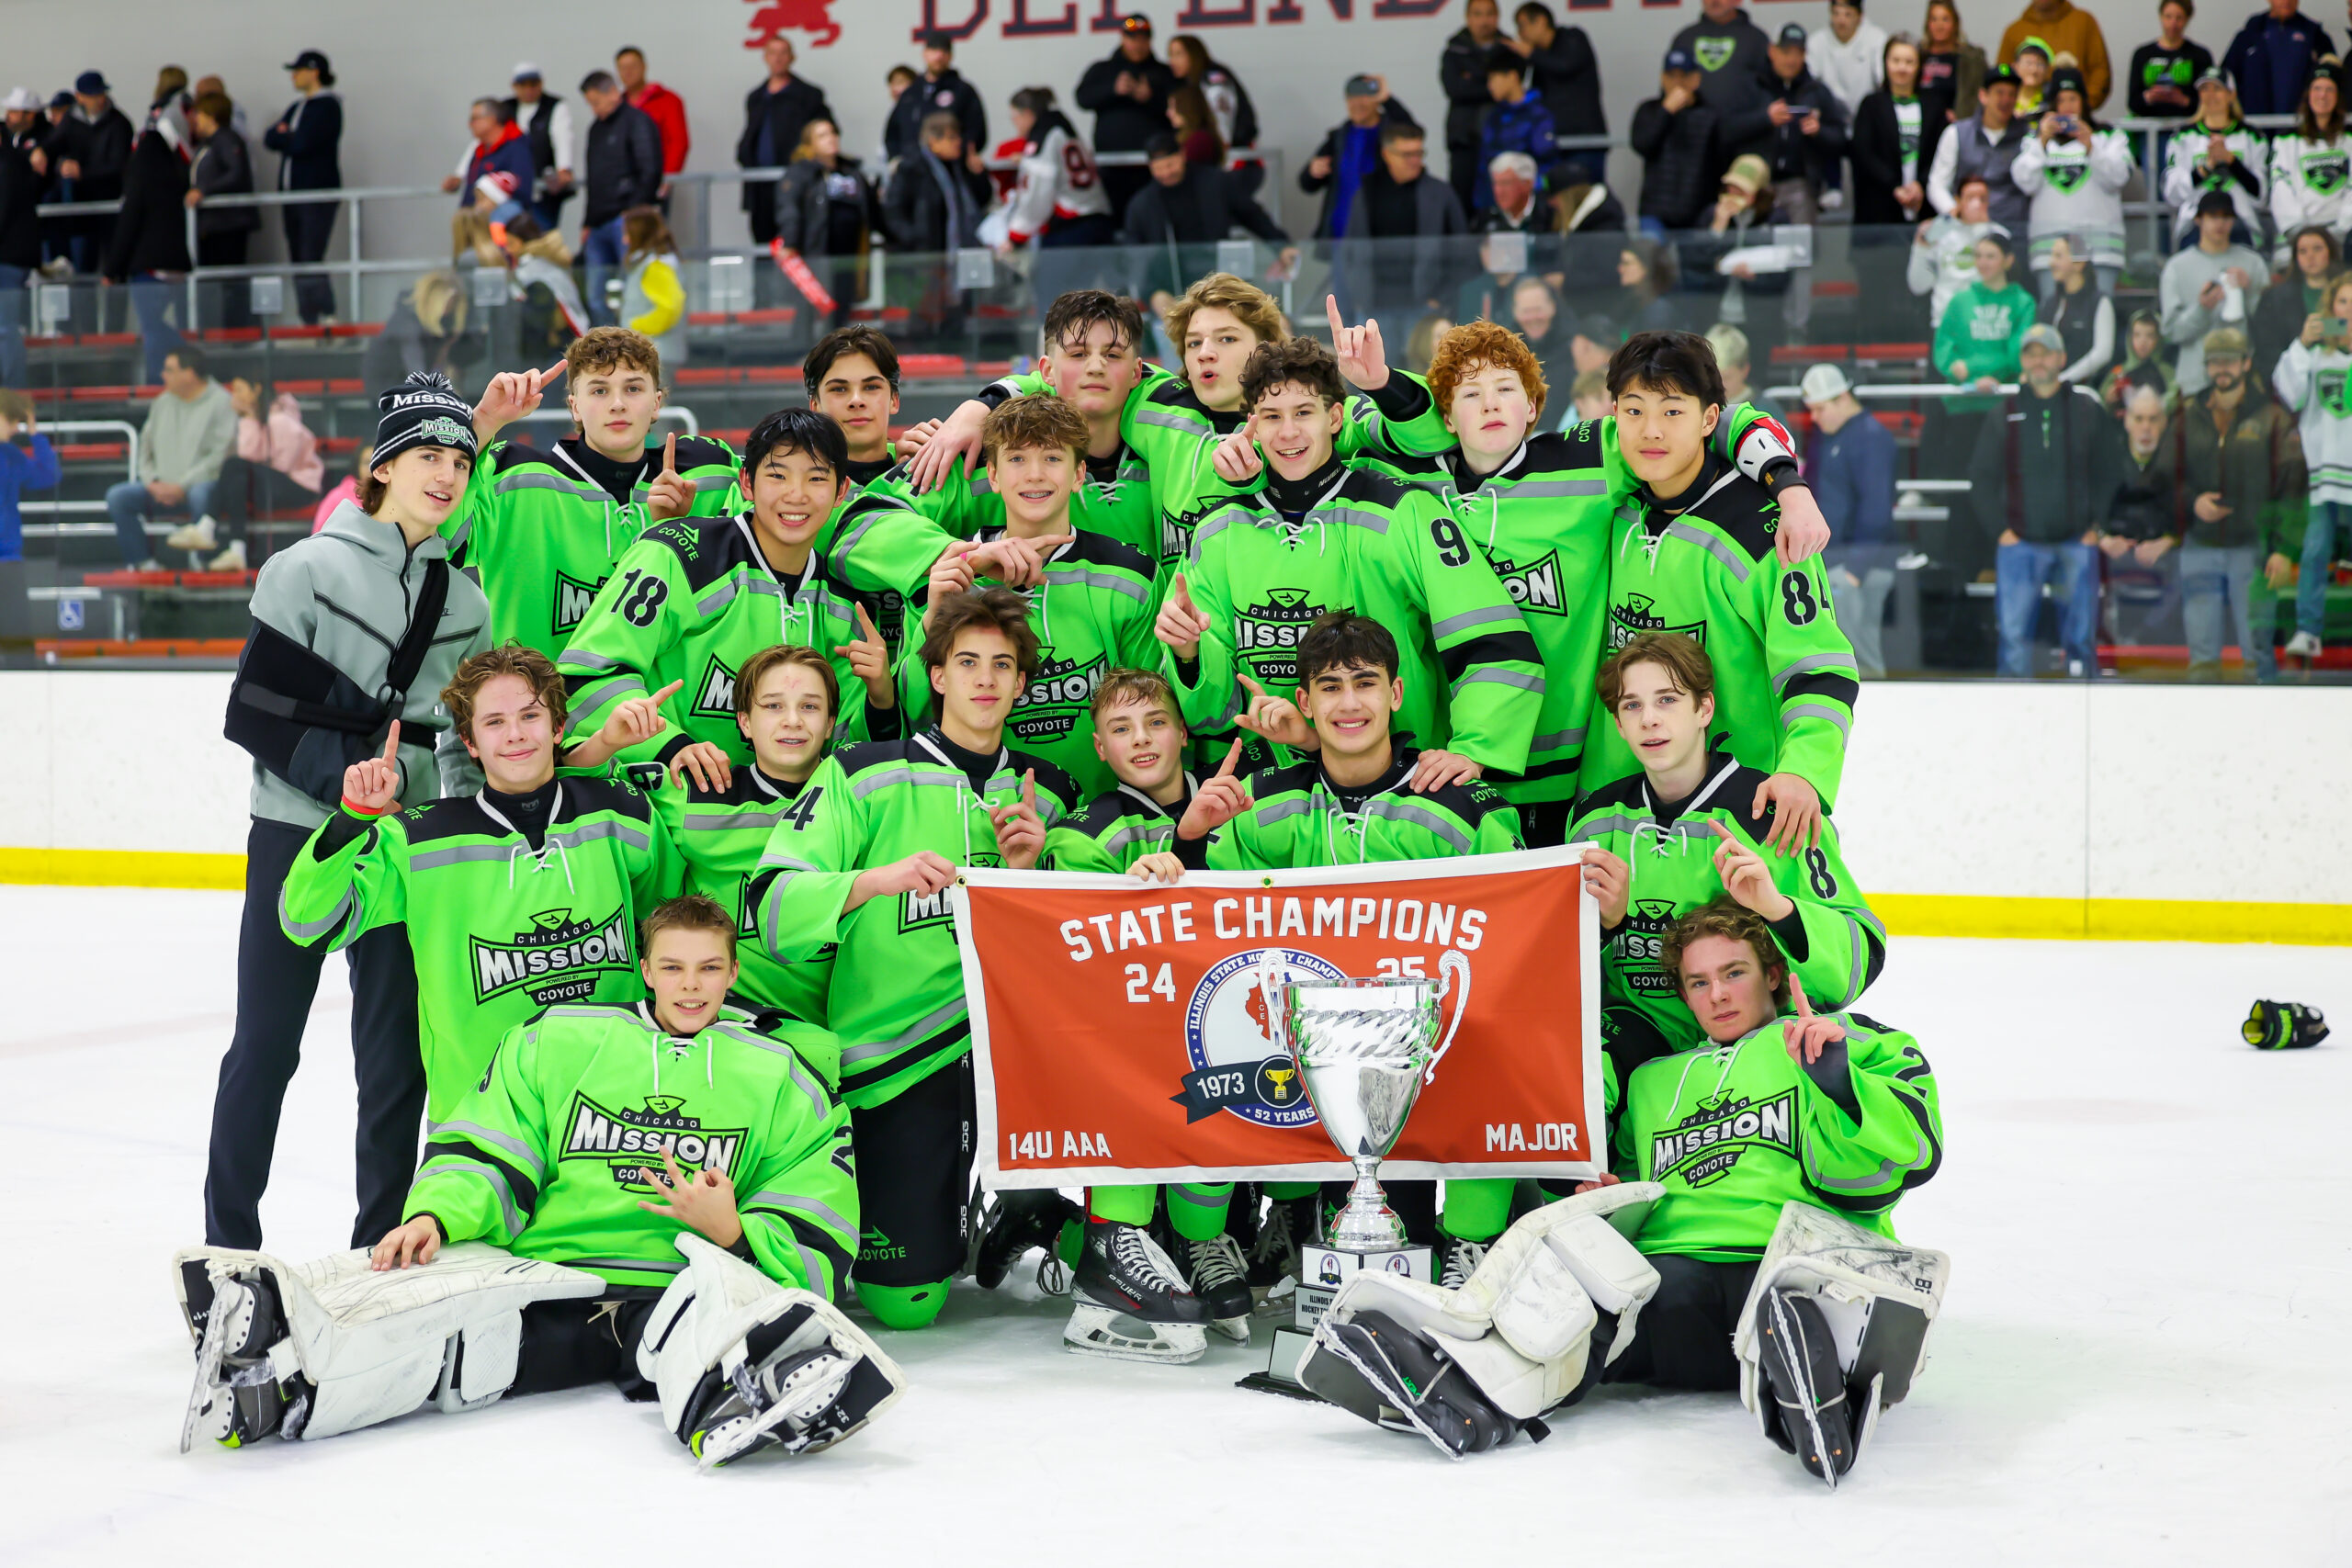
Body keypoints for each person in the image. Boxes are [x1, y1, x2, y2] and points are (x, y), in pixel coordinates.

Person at [178, 894, 898, 1469]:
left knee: (690, 1326)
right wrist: (436, 1215)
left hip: (677, 1280)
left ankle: (742, 1395)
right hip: (554, 1276)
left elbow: (819, 1209)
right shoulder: (560, 1040)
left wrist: (734, 1231)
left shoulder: (783, 1075)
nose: (690, 985)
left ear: (733, 972)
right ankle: (286, 1383)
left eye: (709, 968)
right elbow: (493, 1144)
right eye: (673, 967)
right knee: (446, 1340)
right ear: (645, 969)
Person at [1340, 315, 1821, 844]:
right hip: (1449, 765)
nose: (1491, 404)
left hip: (1572, 778)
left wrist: (1789, 486)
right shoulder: (1408, 483)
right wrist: (1381, 384)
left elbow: (1720, 420)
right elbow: (1334, 437)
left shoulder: (1589, 462)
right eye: (1471, 394)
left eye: (1506, 389)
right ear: (1447, 416)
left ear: (1533, 407)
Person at [203, 371, 491, 1254]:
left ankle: (382, 1246)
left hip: (406, 843)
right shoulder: (304, 570)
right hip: (300, 831)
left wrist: (450, 826)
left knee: (395, 1057)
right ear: (382, 465)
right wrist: (352, 788)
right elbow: (254, 711)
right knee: (266, 1045)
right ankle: (228, 1252)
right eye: (428, 456)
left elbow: (457, 741)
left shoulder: (468, 603)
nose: (445, 475)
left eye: (460, 462)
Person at [751, 588, 1087, 1333]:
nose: (985, 678)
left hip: (1018, 1052)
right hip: (901, 1055)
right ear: (936, 675)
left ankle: (1031, 1199)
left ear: (1022, 683)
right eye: (967, 662)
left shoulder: (1050, 790)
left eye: (1003, 664)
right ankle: (970, 1216)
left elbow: (1095, 920)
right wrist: (876, 879)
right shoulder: (861, 771)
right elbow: (772, 901)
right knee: (906, 1303)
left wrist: (1033, 870)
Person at [1156, 611, 1523, 1284]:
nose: (1348, 703)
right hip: (1302, 1047)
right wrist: (1186, 845)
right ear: (1304, 702)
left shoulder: (1464, 805)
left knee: (1505, 1048)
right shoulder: (1262, 803)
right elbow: (1205, 930)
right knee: (1195, 1051)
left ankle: (1473, 1245)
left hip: (1426, 1046)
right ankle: (1207, 1243)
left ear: (1396, 693)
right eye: (1329, 687)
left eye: (1364, 683)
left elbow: (1523, 926)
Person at [280, 640, 680, 1123]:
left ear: (558, 727)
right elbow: (309, 924)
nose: (515, 734)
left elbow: (671, 930)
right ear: (469, 742)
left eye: (530, 716)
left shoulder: (622, 811)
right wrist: (350, 820)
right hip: (480, 1127)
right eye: (494, 722)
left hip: (612, 1114)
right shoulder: (418, 840)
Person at [1598, 899, 1939, 1447]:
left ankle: (1813, 1385)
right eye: (1699, 982)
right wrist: (1609, 1203)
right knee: (1580, 1317)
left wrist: (1841, 1086)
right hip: (1676, 1286)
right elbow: (1634, 1192)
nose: (1718, 994)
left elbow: (1906, 1157)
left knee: (1792, 1302)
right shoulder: (1647, 1083)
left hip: (1791, 1262)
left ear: (1773, 974)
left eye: (1734, 973)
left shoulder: (1837, 1039)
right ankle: (1479, 1400)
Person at [1165, 333, 1545, 784]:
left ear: (1334, 417)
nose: (1287, 433)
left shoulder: (1402, 511)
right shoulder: (1218, 530)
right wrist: (1188, 653)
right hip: (1271, 794)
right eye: (1272, 416)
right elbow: (1211, 713)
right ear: (1252, 425)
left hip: (1397, 787)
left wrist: (1475, 749)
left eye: (1303, 413)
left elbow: (1491, 637)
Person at [558, 406, 927, 784]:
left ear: (841, 491)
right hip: (671, 804)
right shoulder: (677, 555)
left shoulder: (845, 605)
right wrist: (670, 745)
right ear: (746, 483)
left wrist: (881, 697)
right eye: (777, 476)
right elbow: (586, 677)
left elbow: (846, 747)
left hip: (787, 813)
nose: (796, 495)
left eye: (816, 478)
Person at [1570, 634, 1881, 1078]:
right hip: (1640, 1033)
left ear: (1704, 709)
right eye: (1632, 705)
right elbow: (1560, 976)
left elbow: (1858, 961)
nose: (1649, 719)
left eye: (1667, 700)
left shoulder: (1770, 814)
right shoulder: (1594, 822)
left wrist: (1778, 909)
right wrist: (1606, 926)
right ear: (1619, 724)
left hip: (1754, 1037)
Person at [1583, 330, 1855, 826]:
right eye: (1634, 411)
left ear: (1709, 419)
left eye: (1672, 412)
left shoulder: (1769, 533)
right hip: (1617, 812)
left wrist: (1804, 772)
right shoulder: (1606, 502)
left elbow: (1820, 669)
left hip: (1739, 814)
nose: (1651, 431)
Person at [450, 327, 737, 660]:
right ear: (575, 406)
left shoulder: (709, 473)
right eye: (599, 390)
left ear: (657, 403)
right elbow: (435, 530)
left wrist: (682, 531)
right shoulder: (512, 478)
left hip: (659, 697)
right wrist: (482, 423)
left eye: (633, 388)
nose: (618, 404)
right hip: (535, 694)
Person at [648, 644, 854, 1041]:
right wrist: (616, 740)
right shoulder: (697, 794)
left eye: (810, 707)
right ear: (744, 721)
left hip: (839, 1028)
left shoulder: (860, 800)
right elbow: (582, 784)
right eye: (773, 706)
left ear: (831, 723)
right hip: (730, 1026)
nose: (792, 721)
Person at [1969, 322, 2121, 673]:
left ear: (2061, 358)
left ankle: (2083, 698)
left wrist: (2097, 526)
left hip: (2077, 542)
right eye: (2031, 354)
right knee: (2013, 640)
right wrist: (2000, 531)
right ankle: (2013, 705)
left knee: (2082, 639)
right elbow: (1981, 478)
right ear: (2022, 361)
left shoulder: (2086, 409)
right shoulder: (2004, 414)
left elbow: (2110, 472)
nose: (2038, 361)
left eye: (2046, 353)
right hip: (2020, 546)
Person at [2169, 325, 2305, 677]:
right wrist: (2192, 502)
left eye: (2229, 361)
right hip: (2199, 546)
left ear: (2246, 363)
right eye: (2214, 362)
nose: (2222, 369)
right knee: (2201, 660)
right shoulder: (2187, 414)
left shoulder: (2273, 415)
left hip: (2253, 550)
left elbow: (2293, 486)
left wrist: (2284, 548)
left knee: (2256, 655)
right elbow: (2166, 477)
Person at [1800, 366, 1902, 676]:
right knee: (1844, 654)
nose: (1814, 417)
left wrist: (1855, 570)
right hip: (1836, 564)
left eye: (1820, 409)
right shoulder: (1828, 436)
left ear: (1843, 398)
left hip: (1858, 567)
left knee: (1861, 654)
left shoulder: (1871, 438)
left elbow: (1876, 508)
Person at [2271, 268, 2352, 657]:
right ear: (2330, 308)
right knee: (2316, 550)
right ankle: (2308, 631)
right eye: (2343, 302)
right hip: (2326, 474)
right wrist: (2302, 344)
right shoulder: (2316, 356)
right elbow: (2290, 394)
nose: (2349, 311)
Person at [164, 377, 321, 570]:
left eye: (239, 390)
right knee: (236, 478)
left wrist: (249, 417)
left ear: (256, 390)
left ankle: (208, 529)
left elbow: (280, 467)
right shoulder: (260, 418)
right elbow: (249, 458)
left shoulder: (282, 420)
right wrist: (249, 418)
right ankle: (236, 550)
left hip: (298, 486)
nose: (234, 396)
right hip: (272, 481)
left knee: (234, 468)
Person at [1122, 131, 1294, 307]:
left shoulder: (1215, 183)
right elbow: (1133, 255)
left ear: (1182, 155)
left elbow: (1252, 215)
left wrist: (1280, 244)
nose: (1166, 173)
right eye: (1158, 169)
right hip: (1168, 286)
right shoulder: (1142, 204)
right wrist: (1151, 293)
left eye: (1170, 165)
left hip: (1217, 278)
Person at [105, 345, 231, 569]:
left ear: (189, 374)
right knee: (118, 497)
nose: (162, 375)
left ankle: (203, 563)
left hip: (200, 486)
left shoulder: (222, 402)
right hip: (160, 488)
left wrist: (182, 485)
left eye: (169, 370)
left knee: (202, 494)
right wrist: (152, 482)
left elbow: (221, 454)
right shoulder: (161, 402)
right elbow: (144, 448)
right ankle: (143, 564)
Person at [2011, 62, 2132, 289]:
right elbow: (2025, 182)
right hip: (2049, 250)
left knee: (2100, 308)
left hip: (2100, 250)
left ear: (2084, 101)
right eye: (2061, 100)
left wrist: (2091, 145)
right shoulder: (2034, 141)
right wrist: (2042, 141)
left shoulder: (2109, 136)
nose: (2067, 107)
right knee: (2053, 308)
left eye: (2073, 99)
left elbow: (2118, 178)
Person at [1338, 121, 1470, 323]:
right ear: (1387, 154)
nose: (1415, 161)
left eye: (1418, 153)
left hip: (1424, 304)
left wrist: (1440, 297)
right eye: (1407, 155)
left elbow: (1462, 250)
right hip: (1374, 304)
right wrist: (1357, 295)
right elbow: (1352, 249)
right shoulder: (1366, 194)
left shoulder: (1440, 194)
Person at [1001, 85, 1115, 305]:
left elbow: (1038, 192)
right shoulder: (1063, 128)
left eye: (1014, 117)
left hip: (1071, 229)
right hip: (1097, 219)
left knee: (1054, 303)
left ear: (1027, 114)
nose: (1015, 124)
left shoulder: (1043, 137)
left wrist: (1016, 235)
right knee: (1087, 303)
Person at [1729, 23, 1850, 228]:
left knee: (1800, 243)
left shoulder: (1816, 91)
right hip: (1756, 185)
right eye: (1786, 52)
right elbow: (1729, 130)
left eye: (1798, 53)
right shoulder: (1751, 87)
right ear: (1772, 51)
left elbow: (1841, 140)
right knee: (1755, 243)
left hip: (1800, 184)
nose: (1792, 60)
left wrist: (1819, 131)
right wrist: (1765, 119)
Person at [100, 113, 191, 384]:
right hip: (177, 267)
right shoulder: (175, 178)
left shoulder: (139, 180)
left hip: (149, 268)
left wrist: (112, 269)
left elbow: (127, 227)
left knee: (151, 327)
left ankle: (157, 380)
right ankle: (186, 365)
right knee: (158, 325)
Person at [2162, 187, 2272, 394]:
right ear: (2198, 220)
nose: (2220, 223)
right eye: (2213, 216)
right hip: (2194, 382)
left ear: (2233, 221)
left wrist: (2249, 291)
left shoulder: (2253, 263)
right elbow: (2171, 332)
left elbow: (2268, 329)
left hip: (2242, 382)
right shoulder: (2176, 267)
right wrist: (2201, 309)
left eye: (2226, 217)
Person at [579, 72, 663, 329]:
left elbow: (650, 170)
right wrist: (587, 221)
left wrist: (633, 213)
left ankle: (631, 345)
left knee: (632, 291)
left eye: (596, 102)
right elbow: (594, 179)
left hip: (625, 219)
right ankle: (606, 346)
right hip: (598, 223)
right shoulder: (596, 129)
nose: (594, 109)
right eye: (590, 104)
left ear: (613, 93)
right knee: (596, 296)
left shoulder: (638, 122)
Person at [775, 118, 877, 330]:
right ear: (809, 144)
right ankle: (806, 347)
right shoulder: (801, 173)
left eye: (833, 133)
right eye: (822, 136)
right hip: (816, 253)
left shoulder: (852, 172)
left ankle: (838, 347)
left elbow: (872, 210)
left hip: (849, 255)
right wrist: (790, 241)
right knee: (809, 309)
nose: (831, 139)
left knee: (842, 310)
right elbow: (789, 209)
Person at [741, 34, 835, 262]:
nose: (778, 58)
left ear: (792, 57)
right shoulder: (756, 97)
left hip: (796, 183)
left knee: (795, 243)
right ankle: (765, 287)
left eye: (783, 53)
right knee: (763, 247)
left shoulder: (809, 95)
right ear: (765, 57)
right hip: (761, 186)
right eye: (773, 53)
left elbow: (825, 132)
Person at [263, 51, 340, 326]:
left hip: (314, 194)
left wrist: (287, 136)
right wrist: (285, 136)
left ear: (314, 72)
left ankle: (326, 315)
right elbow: (270, 138)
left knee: (310, 255)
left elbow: (304, 143)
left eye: (298, 70)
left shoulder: (327, 107)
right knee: (298, 257)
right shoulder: (297, 107)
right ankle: (309, 319)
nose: (293, 76)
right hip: (292, 195)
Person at [1077, 15, 1179, 221]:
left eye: (1143, 39)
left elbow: (1183, 108)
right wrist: (1113, 89)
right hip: (1111, 167)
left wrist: (1150, 98)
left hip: (1156, 168)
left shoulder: (1164, 73)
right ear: (1123, 38)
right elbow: (1082, 98)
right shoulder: (1103, 70)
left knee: (1156, 218)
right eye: (1132, 39)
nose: (1137, 45)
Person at [1302, 73, 1419, 240]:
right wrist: (1313, 171)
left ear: (1376, 100)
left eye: (1364, 97)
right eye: (1352, 98)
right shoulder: (1338, 138)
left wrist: (1388, 100)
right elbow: (1306, 184)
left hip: (1380, 236)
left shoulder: (1391, 135)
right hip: (1339, 236)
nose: (1357, 103)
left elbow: (1413, 133)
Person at [2161, 65, 2269, 246]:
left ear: (2232, 94)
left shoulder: (2252, 137)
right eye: (2205, 89)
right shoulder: (2182, 136)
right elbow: (2172, 195)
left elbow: (2261, 196)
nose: (2210, 95)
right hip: (2194, 225)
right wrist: (2206, 167)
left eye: (2217, 89)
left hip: (2240, 223)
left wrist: (2231, 162)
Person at [1632, 47, 1724, 239]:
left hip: (1696, 212)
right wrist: (1666, 111)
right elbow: (1642, 145)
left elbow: (1721, 160)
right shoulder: (1648, 110)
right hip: (1656, 210)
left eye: (1684, 76)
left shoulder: (1711, 115)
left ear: (1696, 79)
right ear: (1662, 79)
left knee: (1697, 257)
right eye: (1671, 76)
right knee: (1649, 255)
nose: (1678, 83)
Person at [1510, 3, 1607, 183]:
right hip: (1553, 145)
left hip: (1585, 143)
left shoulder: (1573, 38)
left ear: (1541, 21)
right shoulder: (1538, 59)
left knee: (1587, 197)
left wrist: (1531, 53)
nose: (1520, 34)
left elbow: (1564, 66)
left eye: (1522, 26)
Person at [185, 91, 258, 329]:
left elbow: (236, 173)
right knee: (215, 282)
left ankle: (235, 331)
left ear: (211, 115)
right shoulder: (209, 144)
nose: (195, 119)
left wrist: (204, 190)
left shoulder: (226, 140)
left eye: (199, 114)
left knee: (230, 282)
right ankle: (218, 329)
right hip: (214, 224)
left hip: (227, 224)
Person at [1927, 62, 2030, 230]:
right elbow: (1937, 184)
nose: (2006, 100)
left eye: (2012, 94)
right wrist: (1954, 212)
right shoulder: (1956, 133)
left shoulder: (2027, 137)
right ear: (1983, 95)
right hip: (1965, 230)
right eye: (1999, 92)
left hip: (2012, 231)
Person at [1936, 225, 2036, 397]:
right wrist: (1957, 369)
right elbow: (1943, 346)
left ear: (2008, 260)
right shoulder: (1959, 301)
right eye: (1978, 256)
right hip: (1963, 397)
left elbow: (2018, 353)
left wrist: (1974, 368)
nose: (1983, 263)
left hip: (2008, 395)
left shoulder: (2023, 303)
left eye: (1990, 257)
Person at [2267, 57, 2352, 256]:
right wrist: (2300, 232)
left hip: (2344, 235)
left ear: (2338, 97)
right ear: (2308, 95)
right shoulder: (2286, 140)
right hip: (2299, 235)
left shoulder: (2349, 138)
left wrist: (2341, 230)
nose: (2322, 95)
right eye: (2317, 89)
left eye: (2329, 89)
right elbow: (2280, 185)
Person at [1168, 31, 1261, 194]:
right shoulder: (1194, 82)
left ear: (1194, 54)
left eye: (1178, 54)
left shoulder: (1214, 81)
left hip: (1234, 163)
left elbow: (1222, 127)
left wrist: (1218, 162)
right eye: (1170, 55)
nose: (1172, 61)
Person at [1672, 0, 1781, 132]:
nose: (1714, 1)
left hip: (1745, 132)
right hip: (1695, 134)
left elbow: (1771, 89)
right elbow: (1669, 89)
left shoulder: (1757, 39)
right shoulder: (1685, 38)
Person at [1476, 45, 1562, 211]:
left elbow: (1547, 164)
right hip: (1494, 205)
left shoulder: (1539, 116)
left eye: (1493, 78)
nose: (1490, 85)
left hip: (1531, 207)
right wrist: (1483, 205)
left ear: (1512, 76)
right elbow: (1484, 165)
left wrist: (1538, 202)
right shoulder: (1493, 117)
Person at [1443, 0, 1510, 209]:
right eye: (1478, 14)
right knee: (1461, 203)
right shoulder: (1454, 51)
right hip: (1464, 138)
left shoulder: (1510, 50)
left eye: (1489, 14)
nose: (1484, 21)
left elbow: (1509, 89)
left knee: (1503, 201)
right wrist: (1491, 86)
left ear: (1497, 17)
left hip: (1504, 137)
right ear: (1468, 17)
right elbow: (1455, 89)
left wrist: (1471, 79)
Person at [885, 30, 986, 167]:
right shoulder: (911, 93)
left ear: (950, 56)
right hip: (912, 169)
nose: (938, 56)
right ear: (925, 53)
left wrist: (960, 154)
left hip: (950, 167)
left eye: (944, 52)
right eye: (934, 50)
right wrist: (896, 160)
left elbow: (976, 132)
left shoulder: (962, 91)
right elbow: (892, 133)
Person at [2222, 0, 2340, 115]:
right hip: (2255, 122)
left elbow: (2334, 79)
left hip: (2302, 123)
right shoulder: (2248, 36)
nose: (2286, 1)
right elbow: (2227, 79)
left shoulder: (2315, 37)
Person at [2255, 224, 2344, 375]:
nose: (2310, 256)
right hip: (2295, 375)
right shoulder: (2275, 298)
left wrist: (2330, 327)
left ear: (2330, 252)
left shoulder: (2347, 290)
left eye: (2317, 249)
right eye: (2303, 251)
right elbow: (2267, 348)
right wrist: (2303, 341)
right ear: (2296, 257)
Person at [444, 96, 533, 235]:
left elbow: (521, 192)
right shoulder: (480, 150)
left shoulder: (516, 148)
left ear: (492, 119)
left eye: (474, 119)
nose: (470, 125)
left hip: (501, 231)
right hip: (475, 227)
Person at [1997, 0, 2114, 106]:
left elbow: (2100, 71)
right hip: (2022, 113)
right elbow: (2001, 78)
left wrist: (2081, 106)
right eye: (2029, 63)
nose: (2034, 69)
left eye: (2039, 64)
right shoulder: (2014, 31)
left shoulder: (2083, 22)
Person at [503, 63, 575, 232]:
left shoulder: (555, 106)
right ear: (514, 86)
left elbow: (563, 138)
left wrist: (564, 168)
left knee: (541, 236)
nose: (529, 90)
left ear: (541, 84)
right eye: (523, 85)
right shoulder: (505, 108)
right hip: (511, 192)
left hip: (543, 191)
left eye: (533, 84)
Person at [2038, 232, 2117, 385]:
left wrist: (2064, 379)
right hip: (2052, 388)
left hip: (2087, 388)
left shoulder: (2099, 302)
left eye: (2058, 256)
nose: (2051, 263)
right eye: (2052, 256)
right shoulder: (2050, 304)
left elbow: (2103, 353)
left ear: (2079, 263)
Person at [616, 48, 687, 204]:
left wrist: (668, 178)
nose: (628, 72)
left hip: (655, 181)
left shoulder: (668, 100)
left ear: (644, 66)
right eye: (623, 68)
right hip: (622, 184)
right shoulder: (616, 105)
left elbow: (678, 142)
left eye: (633, 66)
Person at [2130, 0, 2216, 118]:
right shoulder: (2142, 54)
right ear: (2161, 17)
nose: (2173, 23)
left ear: (2187, 19)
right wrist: (2149, 96)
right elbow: (2132, 102)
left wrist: (2183, 100)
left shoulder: (2200, 56)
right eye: (2168, 17)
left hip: (2188, 124)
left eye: (2179, 18)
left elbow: (2210, 101)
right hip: (2149, 125)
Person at [1811, 0, 1892, 122]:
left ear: (1860, 17)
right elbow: (1809, 84)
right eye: (1836, 14)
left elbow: (1883, 81)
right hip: (1829, 119)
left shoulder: (1877, 39)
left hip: (1869, 116)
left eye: (1847, 14)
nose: (1841, 21)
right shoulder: (1817, 41)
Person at [0, 389, 57, 560]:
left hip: (9, 555)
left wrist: (34, 433)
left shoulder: (11, 455)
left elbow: (49, 475)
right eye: (12, 421)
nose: (16, 428)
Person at [1920, 0, 1991, 121]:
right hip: (1922, 122)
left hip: (1959, 123)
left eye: (1945, 19)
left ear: (1955, 23)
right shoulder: (1919, 55)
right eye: (1934, 19)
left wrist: (1960, 117)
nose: (1939, 25)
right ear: (1928, 23)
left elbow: (1982, 93)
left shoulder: (1971, 58)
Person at [1615, 238, 1683, 330]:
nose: (1620, 269)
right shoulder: (1633, 302)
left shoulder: (1658, 311)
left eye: (1626, 263)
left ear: (1646, 267)